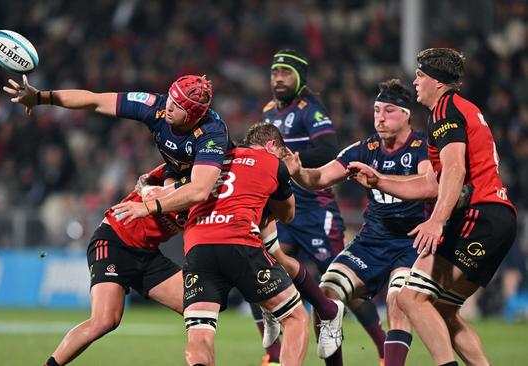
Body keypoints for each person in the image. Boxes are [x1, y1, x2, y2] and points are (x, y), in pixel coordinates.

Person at [349, 48, 517, 366]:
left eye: (420, 76)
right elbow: (431, 185)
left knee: (410, 297)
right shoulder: (459, 110)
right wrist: (379, 180)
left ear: (437, 82)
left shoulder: (445, 110)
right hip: (498, 217)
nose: (415, 82)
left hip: (478, 214)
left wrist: (437, 220)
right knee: (442, 309)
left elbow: (455, 170)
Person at [113, 122, 310, 366]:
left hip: (198, 248)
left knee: (200, 333)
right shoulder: (271, 163)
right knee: (296, 317)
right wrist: (283, 177)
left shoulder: (208, 163)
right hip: (239, 244)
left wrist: (150, 193)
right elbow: (287, 215)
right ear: (271, 146)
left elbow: (170, 188)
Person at [282, 79, 427, 366]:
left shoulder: (423, 147)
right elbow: (320, 178)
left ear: (407, 114)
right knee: (326, 294)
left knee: (397, 302)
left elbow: (428, 183)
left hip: (413, 241)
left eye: (389, 111)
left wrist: (380, 180)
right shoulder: (364, 149)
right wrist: (298, 172)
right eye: (376, 111)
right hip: (372, 240)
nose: (380, 118)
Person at [261, 48, 385, 365]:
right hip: (284, 209)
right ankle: (273, 355)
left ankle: (385, 349)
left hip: (317, 212)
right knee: (262, 267)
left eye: (286, 73)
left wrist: (290, 163)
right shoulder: (268, 112)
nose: (279, 78)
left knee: (340, 283)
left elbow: (329, 148)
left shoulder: (310, 110)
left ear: (300, 77)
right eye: (275, 72)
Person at [4, 74, 233, 219]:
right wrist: (42, 98)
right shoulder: (156, 106)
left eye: (179, 105)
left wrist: (151, 206)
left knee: (154, 198)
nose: (170, 106)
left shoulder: (211, 133)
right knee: (145, 197)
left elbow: (200, 189)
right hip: (180, 172)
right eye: (171, 97)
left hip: (222, 186)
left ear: (193, 115)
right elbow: (95, 100)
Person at [43, 164, 185, 366]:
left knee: (196, 305)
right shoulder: (181, 167)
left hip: (147, 251)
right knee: (105, 320)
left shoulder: (218, 192)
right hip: (115, 239)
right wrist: (149, 189)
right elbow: (144, 182)